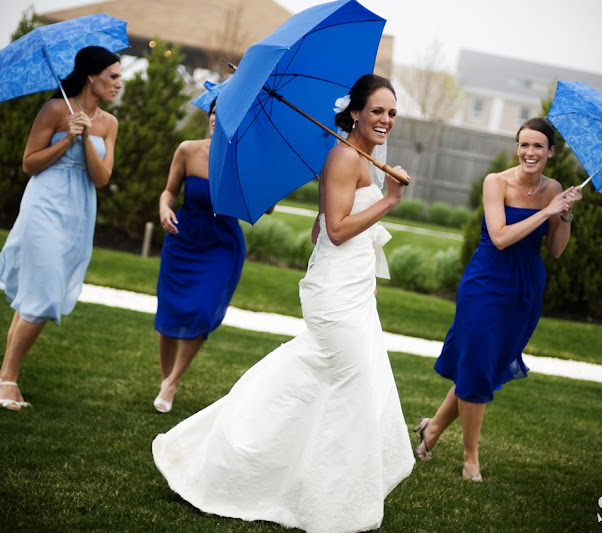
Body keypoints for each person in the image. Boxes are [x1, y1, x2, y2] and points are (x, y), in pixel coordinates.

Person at [152, 74, 414, 533]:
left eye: (391, 113)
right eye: (376, 110)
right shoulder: (343, 156)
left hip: (353, 290)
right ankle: (321, 497)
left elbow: (321, 229)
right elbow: (337, 230)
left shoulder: (361, 159)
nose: (385, 119)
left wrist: (364, 270)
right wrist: (389, 200)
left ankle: (300, 477)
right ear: (355, 113)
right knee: (351, 387)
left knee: (327, 381)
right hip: (334, 297)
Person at [414, 117, 583, 481]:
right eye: (524, 145)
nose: (530, 152)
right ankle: (471, 458)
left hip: (525, 288)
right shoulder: (497, 182)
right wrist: (547, 211)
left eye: (538, 146)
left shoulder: (554, 190)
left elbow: (555, 250)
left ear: (551, 152)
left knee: (483, 367)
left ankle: (432, 429)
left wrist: (566, 213)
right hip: (486, 282)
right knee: (477, 363)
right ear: (517, 148)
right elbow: (501, 237)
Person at [0, 46, 122, 410]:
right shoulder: (54, 110)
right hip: (44, 203)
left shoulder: (109, 124)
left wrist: (87, 137)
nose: (119, 84)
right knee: (45, 292)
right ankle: (9, 380)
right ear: (91, 77)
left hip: (79, 210)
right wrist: (67, 138)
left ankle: (2, 376)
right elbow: (29, 164)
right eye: (113, 76)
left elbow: (101, 178)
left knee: (39, 291)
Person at [152, 98, 248, 414]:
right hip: (182, 239)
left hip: (222, 246)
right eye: (213, 112)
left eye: (225, 113)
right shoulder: (187, 150)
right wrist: (164, 208)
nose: (216, 118)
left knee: (204, 311)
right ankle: (165, 381)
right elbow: (169, 191)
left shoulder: (242, 160)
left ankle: (173, 380)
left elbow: (264, 208)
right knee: (169, 313)